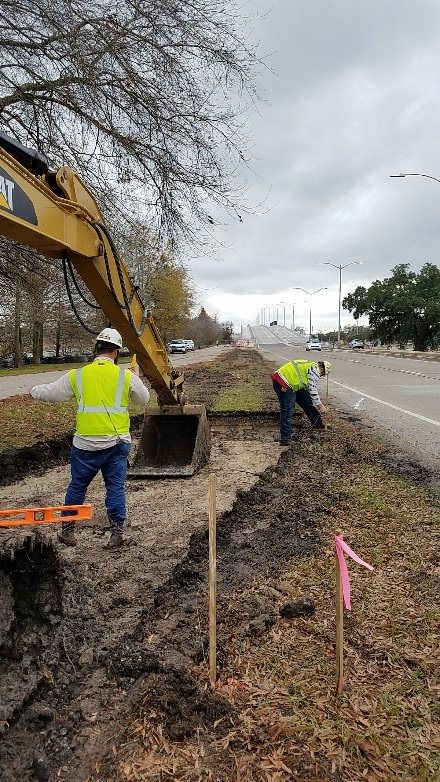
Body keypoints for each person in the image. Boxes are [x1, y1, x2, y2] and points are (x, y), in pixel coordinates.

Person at [30, 328, 150, 549]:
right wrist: (136, 378)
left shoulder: (78, 375)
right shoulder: (125, 376)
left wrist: (33, 390)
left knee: (77, 487)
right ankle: (116, 534)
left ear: (97, 349)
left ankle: (67, 531)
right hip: (116, 444)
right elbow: (143, 400)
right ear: (116, 351)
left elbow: (50, 393)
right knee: (115, 488)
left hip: (85, 445)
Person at [271, 359, 332, 445]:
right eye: (323, 374)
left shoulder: (312, 366)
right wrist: (321, 406)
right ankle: (285, 438)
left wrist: (317, 403)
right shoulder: (315, 371)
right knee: (287, 410)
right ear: (322, 369)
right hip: (283, 383)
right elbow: (313, 390)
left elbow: (307, 387)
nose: (321, 376)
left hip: (293, 384)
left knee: (307, 401)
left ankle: (317, 423)